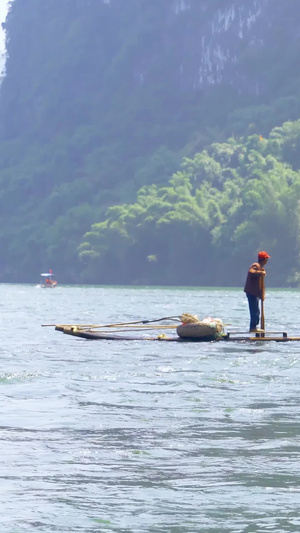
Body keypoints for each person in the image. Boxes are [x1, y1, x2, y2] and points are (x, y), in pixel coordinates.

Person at [244, 250, 270, 332]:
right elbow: (251, 272)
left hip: (255, 293)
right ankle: (253, 328)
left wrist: (262, 295)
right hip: (251, 292)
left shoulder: (261, 267)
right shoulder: (255, 265)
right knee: (254, 311)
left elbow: (261, 285)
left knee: (257, 312)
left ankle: (255, 327)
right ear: (265, 259)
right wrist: (260, 272)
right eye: (267, 259)